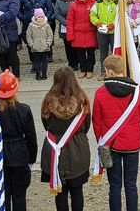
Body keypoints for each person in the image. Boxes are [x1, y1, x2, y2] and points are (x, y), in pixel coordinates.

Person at [92, 55, 140, 211]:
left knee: (114, 185)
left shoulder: (100, 92)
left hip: (112, 143)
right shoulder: (138, 91)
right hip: (132, 142)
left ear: (109, 71)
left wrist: (102, 142)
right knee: (131, 184)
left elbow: (96, 121)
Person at [40, 67, 92, 211]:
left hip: (54, 147)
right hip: (77, 147)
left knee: (60, 192)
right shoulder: (82, 101)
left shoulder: (48, 100)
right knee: (77, 190)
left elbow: (46, 124)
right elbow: (86, 125)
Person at [0, 69, 37, 211]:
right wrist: (32, 159)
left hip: (0, 155)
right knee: (19, 196)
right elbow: (31, 138)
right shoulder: (24, 110)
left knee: (4, 194)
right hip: (20, 154)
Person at [18, 0, 54, 72]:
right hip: (28, 24)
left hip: (42, 24)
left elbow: (50, 8)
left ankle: (42, 64)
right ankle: (34, 64)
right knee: (30, 44)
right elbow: (18, 9)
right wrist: (23, 17)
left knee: (42, 43)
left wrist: (47, 17)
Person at [66, 0, 97, 79]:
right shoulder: (73, 5)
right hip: (78, 33)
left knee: (91, 53)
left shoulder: (93, 4)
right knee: (80, 53)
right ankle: (83, 69)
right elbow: (70, 20)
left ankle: (90, 70)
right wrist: (70, 34)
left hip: (90, 32)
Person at [90, 0, 118, 81]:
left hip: (114, 32)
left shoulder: (117, 3)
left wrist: (113, 24)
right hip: (102, 32)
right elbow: (92, 14)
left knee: (115, 52)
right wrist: (97, 23)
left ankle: (115, 72)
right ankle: (103, 72)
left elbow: (120, 16)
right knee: (103, 52)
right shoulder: (98, 3)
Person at [54, 0, 79, 70]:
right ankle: (71, 62)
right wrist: (65, 22)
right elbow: (57, 14)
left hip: (75, 26)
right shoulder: (58, 1)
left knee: (75, 46)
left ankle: (76, 63)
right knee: (67, 46)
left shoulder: (76, 1)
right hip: (64, 26)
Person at [26, 8, 53, 80]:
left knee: (45, 61)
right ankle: (38, 74)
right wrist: (32, 45)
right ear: (35, 18)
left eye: (42, 16)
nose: (40, 18)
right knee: (37, 61)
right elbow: (28, 36)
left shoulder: (47, 25)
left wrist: (48, 44)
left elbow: (50, 35)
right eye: (38, 17)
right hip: (35, 48)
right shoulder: (31, 26)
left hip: (45, 47)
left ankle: (44, 74)